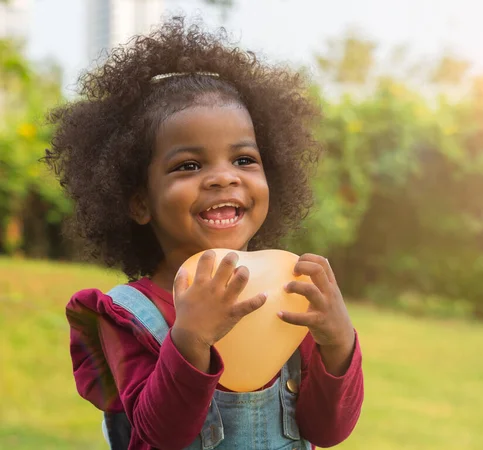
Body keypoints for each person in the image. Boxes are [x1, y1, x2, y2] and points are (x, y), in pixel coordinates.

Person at [44, 16, 363, 450]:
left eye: (244, 160)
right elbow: (158, 439)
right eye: (189, 166)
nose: (222, 178)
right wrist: (190, 338)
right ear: (139, 201)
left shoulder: (289, 297)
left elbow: (328, 431)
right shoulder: (127, 317)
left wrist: (338, 343)